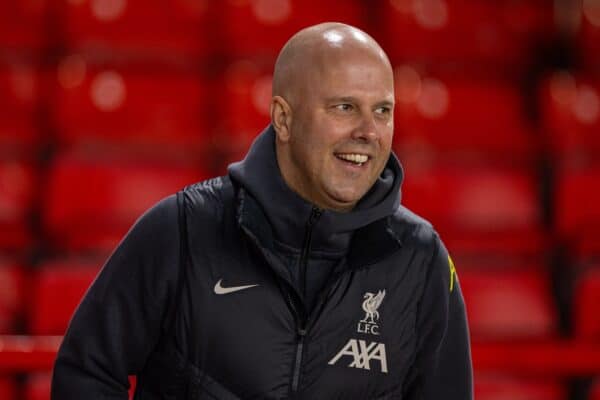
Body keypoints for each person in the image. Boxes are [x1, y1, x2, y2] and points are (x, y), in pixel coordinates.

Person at [52, 22, 473, 399]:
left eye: (382, 111)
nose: (367, 131)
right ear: (283, 119)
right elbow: (87, 371)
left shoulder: (421, 261)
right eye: (344, 107)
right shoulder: (181, 230)